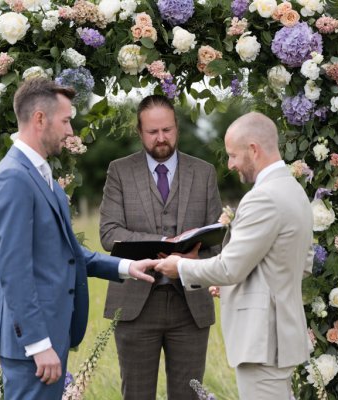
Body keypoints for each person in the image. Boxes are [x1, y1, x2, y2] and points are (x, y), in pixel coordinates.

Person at [0, 78, 159, 400]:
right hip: (33, 348)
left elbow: (65, 252)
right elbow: (13, 270)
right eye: (65, 121)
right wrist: (38, 344)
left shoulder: (40, 175)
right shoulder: (13, 178)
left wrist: (126, 266)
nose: (70, 131)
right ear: (40, 118)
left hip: (51, 338)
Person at [155, 112, 314, 400]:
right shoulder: (294, 191)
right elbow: (299, 265)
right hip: (280, 336)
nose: (230, 164)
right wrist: (231, 284)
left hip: (263, 342)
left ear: (253, 149)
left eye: (232, 155)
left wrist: (180, 266)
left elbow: (230, 268)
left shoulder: (263, 197)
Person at [99, 94, 223, 400]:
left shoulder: (204, 172)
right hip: (135, 305)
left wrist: (195, 258)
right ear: (139, 132)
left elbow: (220, 238)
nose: (161, 138)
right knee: (137, 396)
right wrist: (164, 244)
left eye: (167, 130)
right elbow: (109, 233)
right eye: (153, 132)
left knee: (189, 395)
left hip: (190, 305)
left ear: (177, 128)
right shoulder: (119, 171)